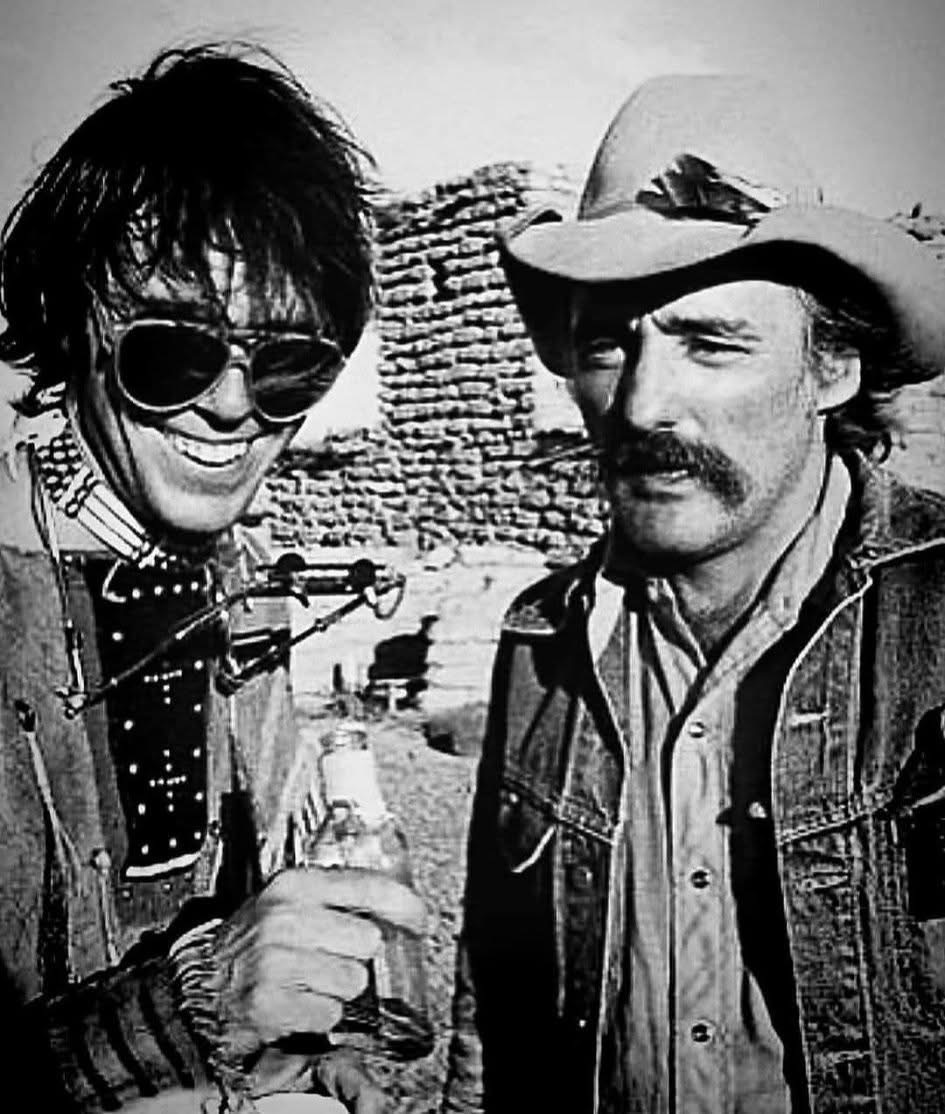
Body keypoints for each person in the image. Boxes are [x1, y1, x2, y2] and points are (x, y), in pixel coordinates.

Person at [442, 74, 945, 1114]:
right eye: (607, 343)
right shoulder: (542, 645)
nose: (642, 403)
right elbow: (493, 1009)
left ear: (832, 368)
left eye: (710, 343)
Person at [0, 43, 422, 1111]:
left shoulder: (243, 593)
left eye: (288, 364)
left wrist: (298, 1053)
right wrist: (186, 1010)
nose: (232, 405)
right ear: (70, 318)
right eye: (171, 350)